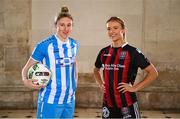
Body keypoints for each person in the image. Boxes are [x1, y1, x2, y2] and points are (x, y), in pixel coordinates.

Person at [93, 16, 158, 118]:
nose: (112, 31)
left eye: (115, 28)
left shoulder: (132, 52)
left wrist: (135, 88)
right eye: (109, 29)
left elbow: (153, 73)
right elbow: (96, 70)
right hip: (108, 104)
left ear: (123, 30)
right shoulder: (104, 52)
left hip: (127, 104)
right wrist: (101, 84)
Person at [21, 6, 79, 118]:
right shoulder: (44, 45)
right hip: (50, 100)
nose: (66, 29)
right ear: (56, 26)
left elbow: (74, 64)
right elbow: (25, 69)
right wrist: (26, 81)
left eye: (69, 25)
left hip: (69, 100)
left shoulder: (74, 44)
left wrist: (75, 81)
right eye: (62, 25)